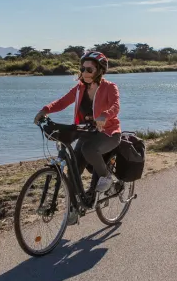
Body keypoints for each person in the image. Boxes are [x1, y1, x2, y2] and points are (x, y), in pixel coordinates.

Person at [34, 51, 121, 195]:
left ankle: (106, 177)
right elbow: (62, 102)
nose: (84, 72)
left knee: (88, 149)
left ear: (99, 70)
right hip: (86, 133)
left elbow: (115, 106)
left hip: (108, 133)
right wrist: (45, 110)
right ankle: (74, 211)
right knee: (74, 171)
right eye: (82, 69)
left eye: (89, 69)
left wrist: (104, 115)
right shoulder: (80, 88)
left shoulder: (110, 87)